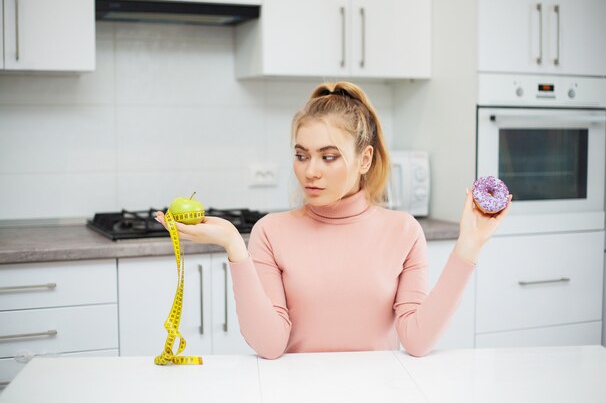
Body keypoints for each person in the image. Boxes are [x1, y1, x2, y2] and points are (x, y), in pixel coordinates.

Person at [155, 81, 511, 360]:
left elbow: (416, 340)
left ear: (364, 159)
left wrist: (468, 248)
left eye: (328, 157)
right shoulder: (270, 232)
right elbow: (270, 345)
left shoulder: (403, 231)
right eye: (301, 155)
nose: (310, 171)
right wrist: (235, 247)